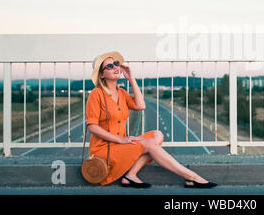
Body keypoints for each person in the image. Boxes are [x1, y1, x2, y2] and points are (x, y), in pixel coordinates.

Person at [86, 51, 217, 188]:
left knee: (157, 135)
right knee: (149, 145)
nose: (115, 67)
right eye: (110, 66)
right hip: (104, 150)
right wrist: (121, 139)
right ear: (101, 74)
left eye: (116, 64)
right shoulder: (96, 94)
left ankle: (130, 175)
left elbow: (140, 105)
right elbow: (92, 127)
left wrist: (131, 79)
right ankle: (191, 176)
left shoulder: (121, 93)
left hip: (120, 146)